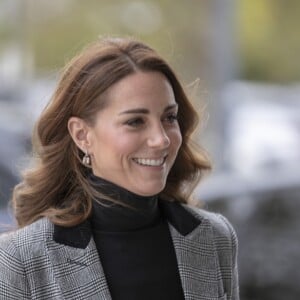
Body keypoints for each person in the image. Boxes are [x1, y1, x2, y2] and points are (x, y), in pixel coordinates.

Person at [0, 37, 239, 300]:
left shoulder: (215, 238)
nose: (161, 139)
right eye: (135, 121)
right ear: (82, 135)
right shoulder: (21, 260)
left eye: (169, 118)